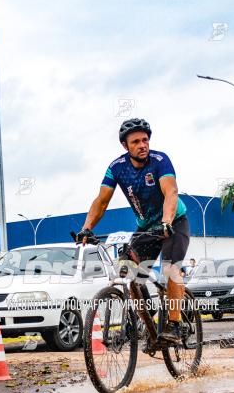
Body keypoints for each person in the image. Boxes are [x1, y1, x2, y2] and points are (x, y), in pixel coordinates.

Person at [77, 118, 190, 343]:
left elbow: (171, 192)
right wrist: (86, 229)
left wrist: (166, 221)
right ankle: (147, 315)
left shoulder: (160, 160)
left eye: (145, 140)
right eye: (136, 141)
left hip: (173, 223)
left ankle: (175, 325)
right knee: (128, 270)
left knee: (170, 269)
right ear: (125, 146)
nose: (142, 145)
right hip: (146, 228)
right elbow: (101, 202)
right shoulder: (116, 167)